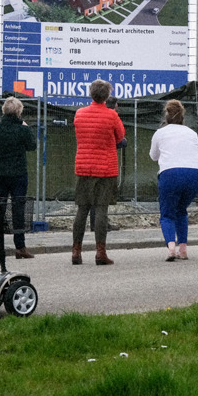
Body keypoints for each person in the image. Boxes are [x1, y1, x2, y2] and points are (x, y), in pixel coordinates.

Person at [72, 80, 127, 265]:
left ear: (91, 93)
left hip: (84, 166)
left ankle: (76, 251)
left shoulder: (79, 114)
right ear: (106, 96)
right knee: (101, 209)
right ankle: (100, 252)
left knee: (82, 209)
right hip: (105, 168)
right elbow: (121, 136)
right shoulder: (112, 115)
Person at [149, 100, 198, 262]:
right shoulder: (191, 133)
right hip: (195, 174)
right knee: (181, 210)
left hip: (171, 173)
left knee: (167, 214)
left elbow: (153, 156)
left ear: (166, 115)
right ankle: (183, 249)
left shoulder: (160, 133)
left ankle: (171, 248)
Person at [0, 97, 37, 260]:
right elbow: (32, 146)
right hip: (18, 174)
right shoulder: (22, 129)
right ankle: (20, 247)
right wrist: (26, 128)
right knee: (18, 210)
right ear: (19, 111)